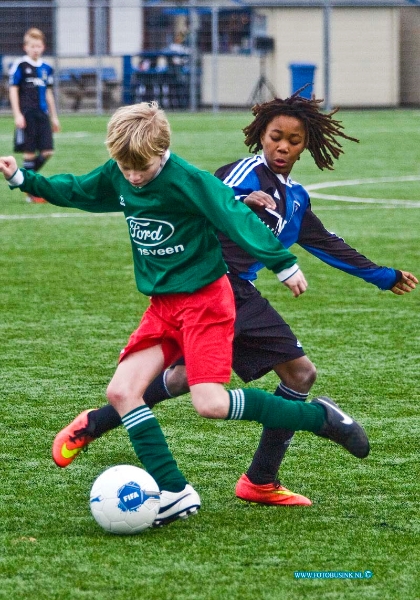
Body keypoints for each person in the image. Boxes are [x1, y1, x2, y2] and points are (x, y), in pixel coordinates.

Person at [0, 101, 370, 528]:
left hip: (205, 302)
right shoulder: (121, 171)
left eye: (142, 168)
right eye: (126, 168)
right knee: (121, 392)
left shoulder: (189, 180)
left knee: (209, 403)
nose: (134, 177)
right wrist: (23, 177)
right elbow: (79, 190)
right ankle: (174, 491)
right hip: (163, 306)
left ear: (163, 152)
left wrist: (282, 263)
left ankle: (320, 418)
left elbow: (235, 217)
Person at [8, 27, 60, 203]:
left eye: (38, 46)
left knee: (48, 151)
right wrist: (17, 114)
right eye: (32, 46)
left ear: (43, 47)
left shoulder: (47, 68)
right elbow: (13, 90)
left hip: (42, 114)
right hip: (27, 114)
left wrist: (54, 116)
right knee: (29, 153)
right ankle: (30, 193)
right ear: (26, 47)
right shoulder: (20, 65)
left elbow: (48, 94)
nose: (35, 49)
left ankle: (25, 180)